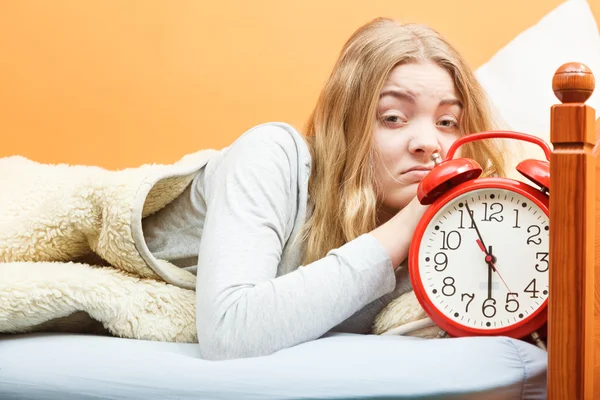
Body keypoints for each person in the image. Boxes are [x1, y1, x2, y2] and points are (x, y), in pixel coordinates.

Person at [141, 17, 507, 361]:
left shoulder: (446, 238)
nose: (429, 144)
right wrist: (408, 222)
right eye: (393, 117)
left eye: (447, 121)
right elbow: (228, 331)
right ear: (346, 126)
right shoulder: (272, 153)